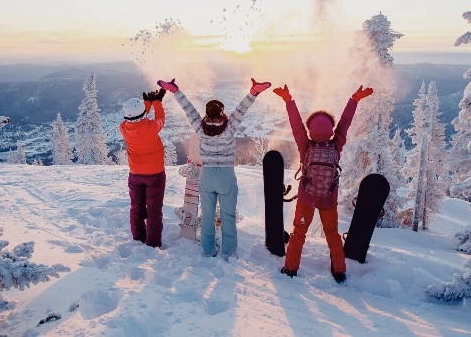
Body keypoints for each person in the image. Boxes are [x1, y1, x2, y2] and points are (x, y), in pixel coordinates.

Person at [158, 77, 271, 260]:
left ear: (207, 114)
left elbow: (188, 110)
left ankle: (207, 249)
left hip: (207, 175)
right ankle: (229, 251)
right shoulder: (229, 129)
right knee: (228, 216)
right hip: (226, 176)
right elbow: (242, 109)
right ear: (221, 114)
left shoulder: (200, 128)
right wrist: (254, 92)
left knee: (208, 215)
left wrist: (175, 91)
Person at [272, 84, 373, 283]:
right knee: (332, 234)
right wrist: (354, 100)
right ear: (330, 129)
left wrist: (288, 100)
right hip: (329, 197)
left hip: (306, 198)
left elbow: (295, 124)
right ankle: (339, 270)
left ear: (310, 130)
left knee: (299, 232)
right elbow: (345, 122)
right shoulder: (336, 145)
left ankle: (291, 268)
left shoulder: (306, 145)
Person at [119, 88, 167, 248]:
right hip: (155, 175)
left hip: (135, 175)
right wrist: (157, 102)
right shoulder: (152, 127)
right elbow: (160, 118)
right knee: (154, 210)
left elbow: (136, 119)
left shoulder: (124, 129)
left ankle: (138, 237)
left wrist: (146, 103)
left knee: (136, 207)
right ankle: (153, 243)